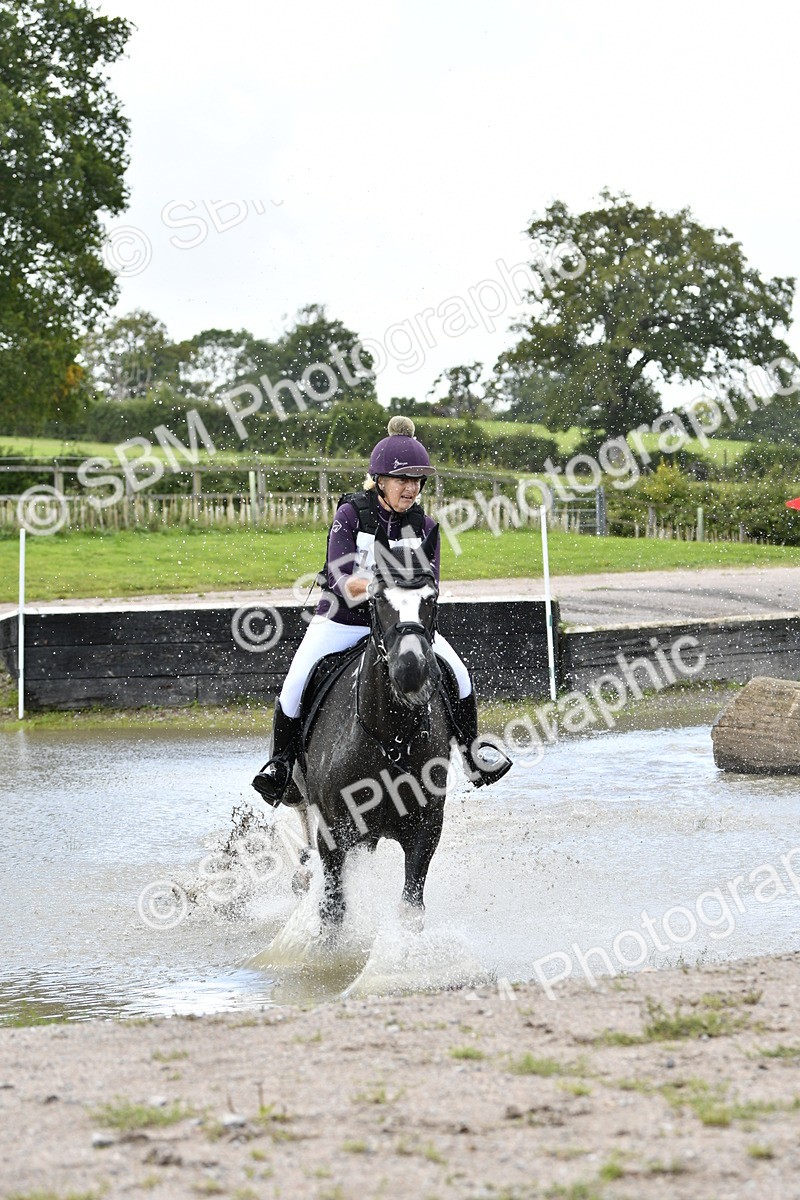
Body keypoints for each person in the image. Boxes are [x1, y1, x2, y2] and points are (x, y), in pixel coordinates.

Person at [252, 416, 512, 805]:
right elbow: (341, 577)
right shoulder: (351, 516)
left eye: (417, 481)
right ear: (379, 480)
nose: (411, 488)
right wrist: (380, 587)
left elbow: (430, 583)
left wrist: (406, 602)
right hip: (343, 620)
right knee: (295, 684)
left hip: (403, 626)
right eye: (402, 479)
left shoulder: (424, 525)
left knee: (459, 673)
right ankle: (281, 765)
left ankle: (473, 753)